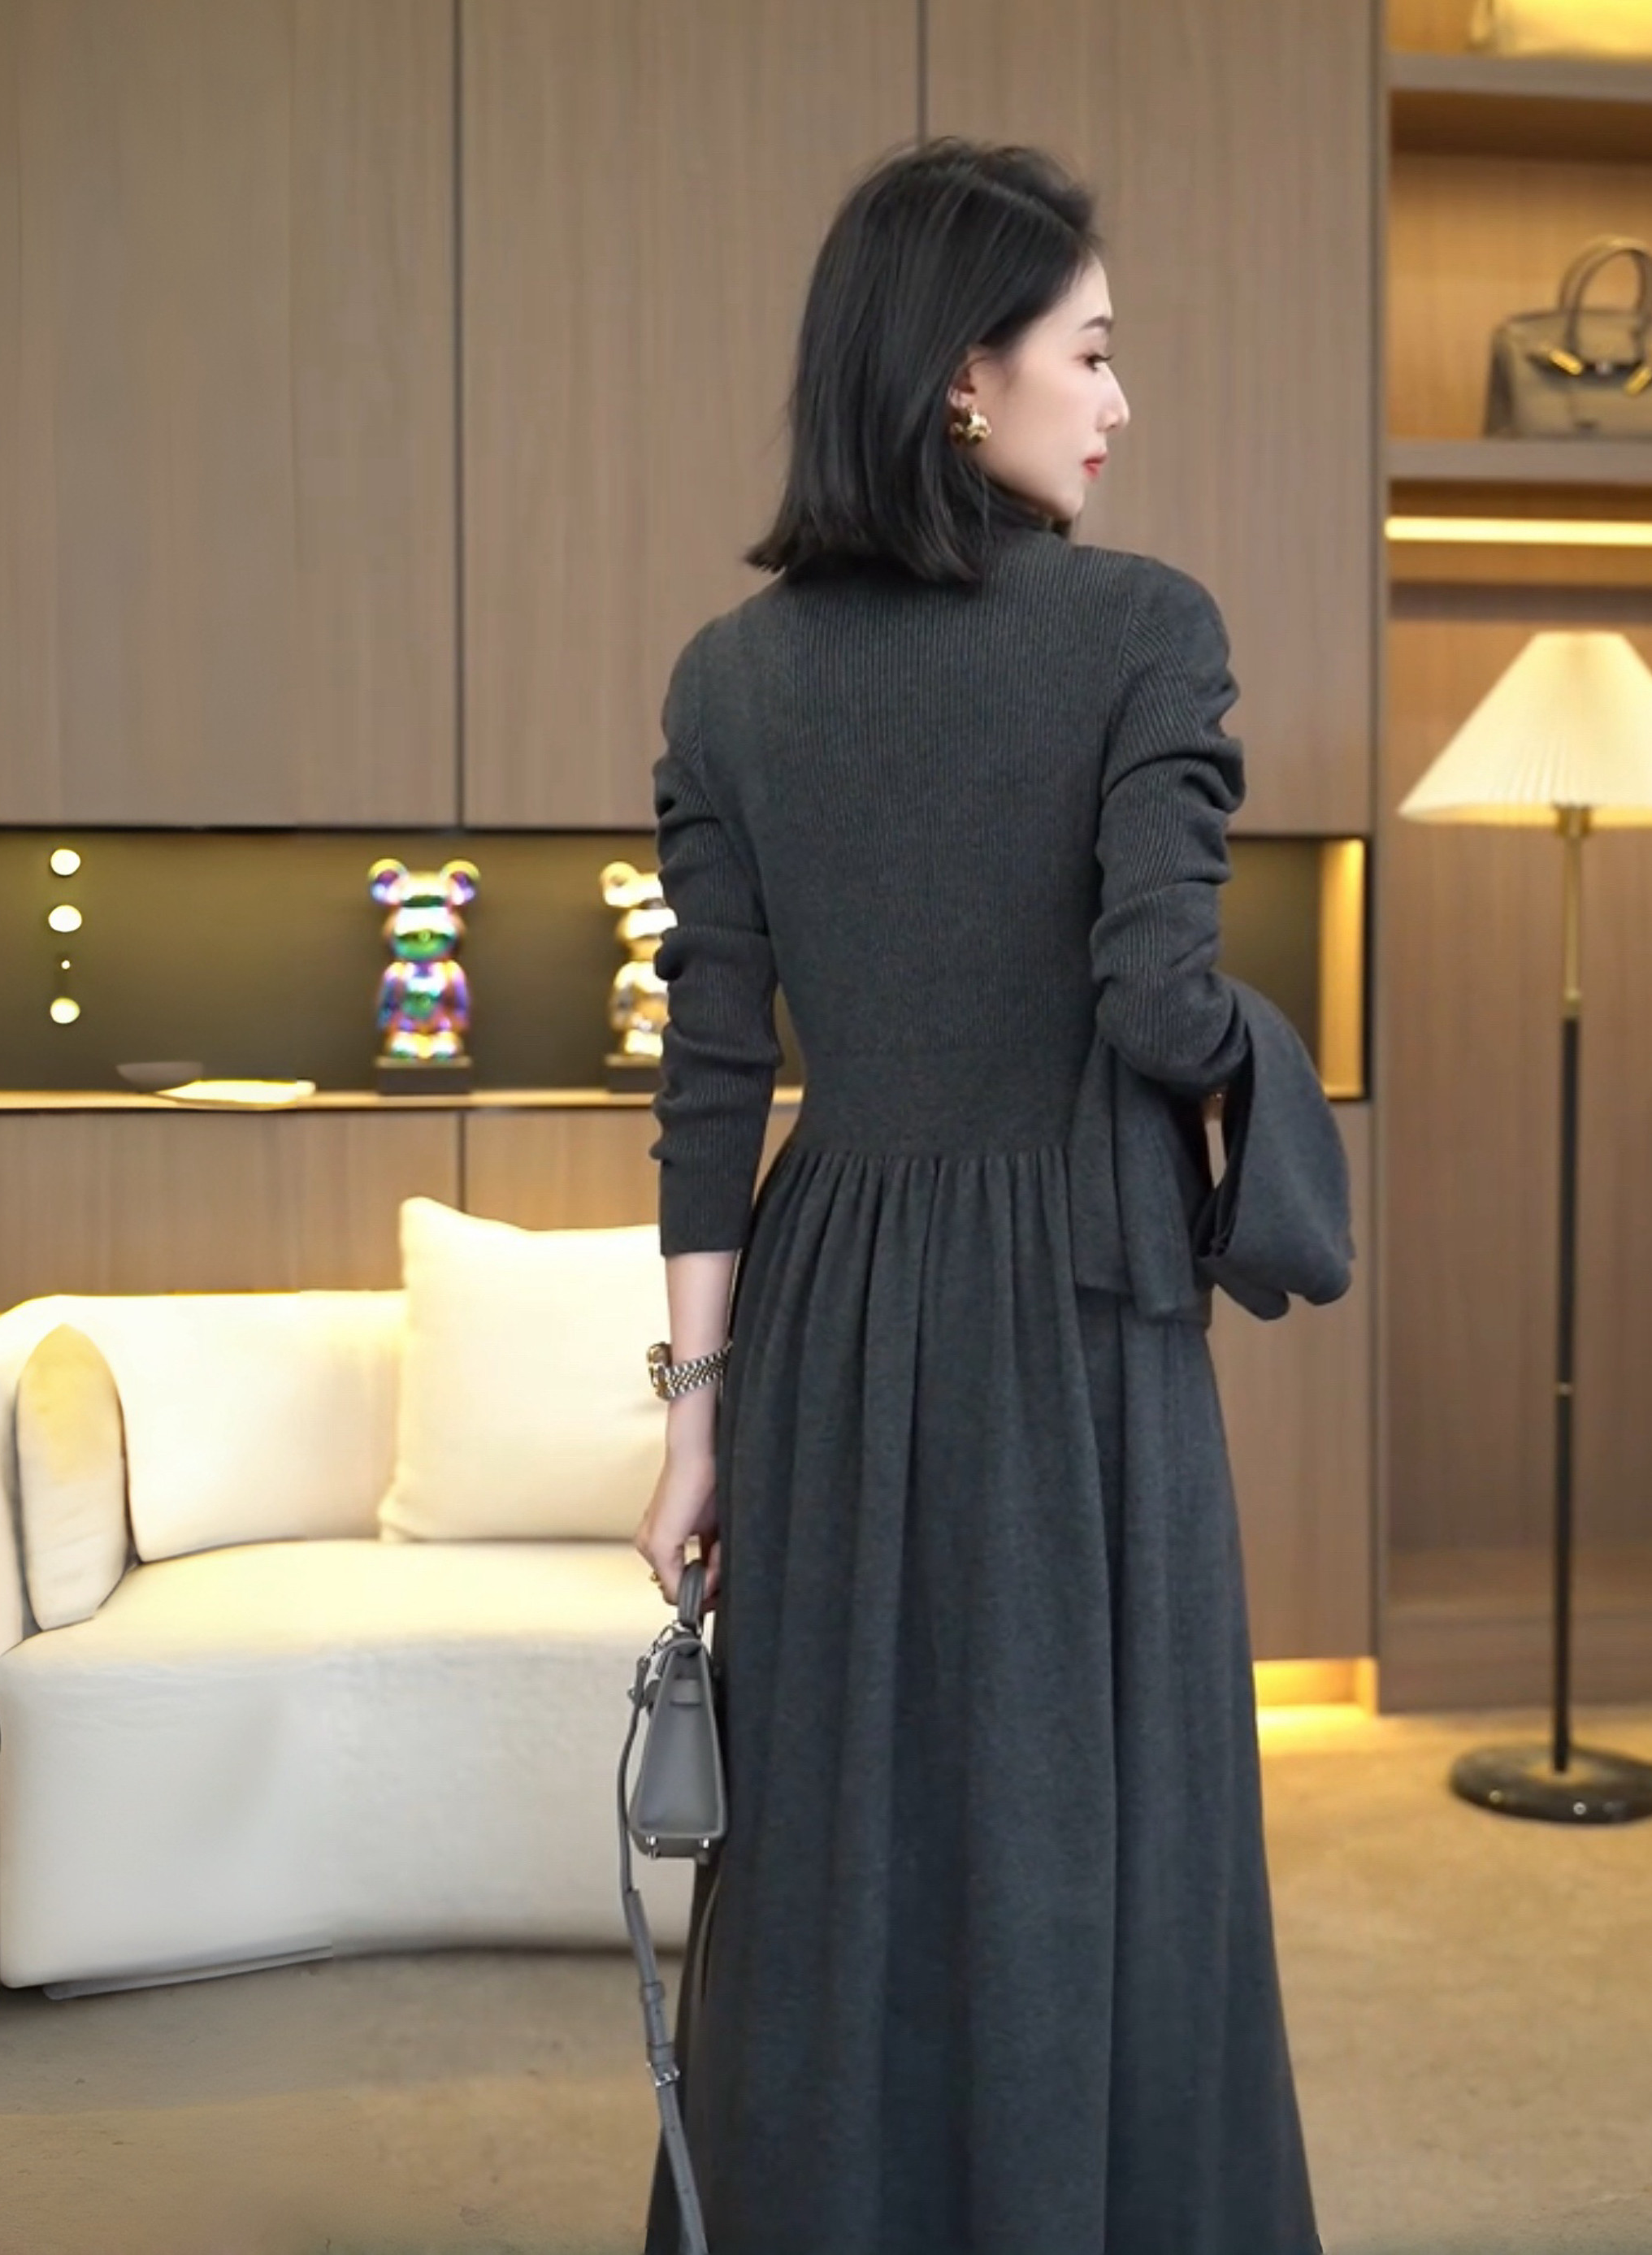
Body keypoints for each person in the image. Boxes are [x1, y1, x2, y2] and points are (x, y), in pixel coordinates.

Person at [634, 137, 1327, 2255]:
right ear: (963, 375)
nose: (1118, 402)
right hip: (1073, 1313)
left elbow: (714, 1078)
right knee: (1104, 1829)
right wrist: (1262, 1071)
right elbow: (1161, 998)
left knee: (839, 1840)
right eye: (1090, 354)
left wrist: (694, 1416)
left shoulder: (727, 678)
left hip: (831, 1310)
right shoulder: (1143, 631)